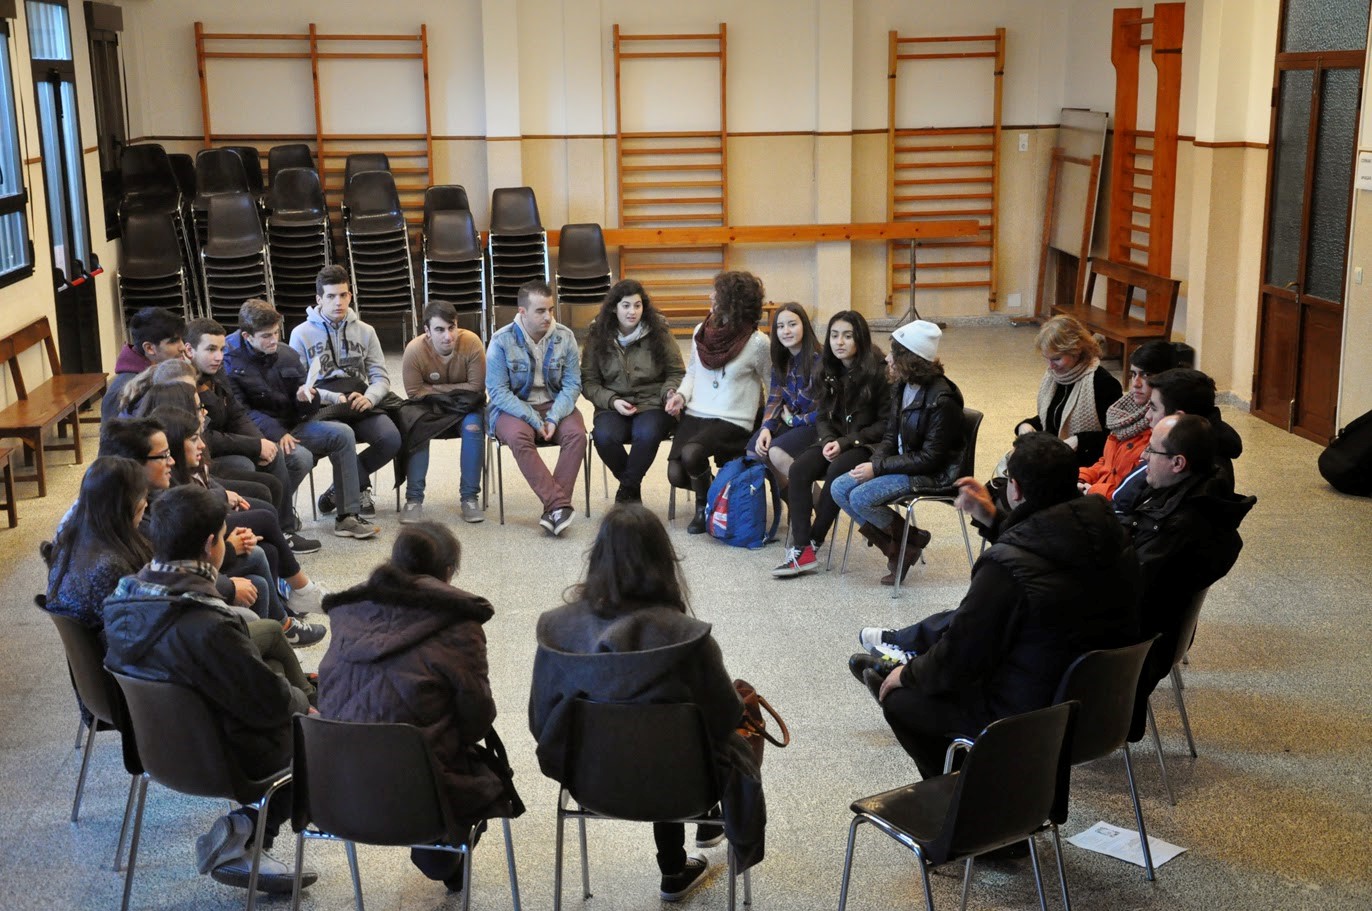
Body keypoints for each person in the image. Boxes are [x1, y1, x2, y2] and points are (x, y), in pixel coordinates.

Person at [859, 433, 1141, 779]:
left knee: (901, 701)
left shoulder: (1004, 568)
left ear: (1016, 490)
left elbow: (960, 659)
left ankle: (965, 793)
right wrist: (993, 519)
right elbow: (1048, 553)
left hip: (1030, 715)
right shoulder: (1109, 529)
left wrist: (908, 675)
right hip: (1103, 705)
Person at [529, 505, 764, 903]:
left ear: (597, 556)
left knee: (651, 735)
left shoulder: (557, 630)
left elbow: (540, 721)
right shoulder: (690, 638)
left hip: (590, 783)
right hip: (686, 788)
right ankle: (695, 839)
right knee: (677, 738)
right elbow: (725, 718)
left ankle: (677, 862)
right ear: (663, 561)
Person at [101, 485, 319, 895]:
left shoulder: (121, 599)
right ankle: (246, 832)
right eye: (222, 535)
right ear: (210, 545)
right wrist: (305, 705)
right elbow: (270, 703)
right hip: (214, 756)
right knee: (312, 735)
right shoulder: (209, 625)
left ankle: (247, 838)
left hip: (156, 747)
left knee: (272, 664)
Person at [318, 522, 519, 891]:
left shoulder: (347, 614)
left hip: (335, 788)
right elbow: (476, 720)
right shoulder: (460, 625)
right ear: (448, 573)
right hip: (422, 795)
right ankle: (440, 858)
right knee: (478, 769)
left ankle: (439, 856)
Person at [1118, 413, 1255, 737]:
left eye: (1152, 450)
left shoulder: (1182, 525)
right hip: (1147, 630)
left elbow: (1126, 590)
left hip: (1130, 650)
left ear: (1178, 463)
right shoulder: (1183, 495)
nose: (1143, 456)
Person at [158, 406, 327, 645]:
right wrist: (229, 549)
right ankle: (295, 602)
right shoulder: (164, 492)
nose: (204, 412)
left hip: (206, 541)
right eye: (194, 438)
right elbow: (173, 565)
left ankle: (281, 622)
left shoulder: (185, 465)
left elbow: (209, 482)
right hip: (199, 562)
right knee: (263, 525)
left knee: (267, 548)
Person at [223, 298, 379, 540]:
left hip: (292, 425)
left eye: (276, 333)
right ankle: (276, 514)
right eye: (266, 336)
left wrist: (307, 398)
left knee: (342, 433)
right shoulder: (229, 361)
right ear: (247, 336)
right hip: (258, 433)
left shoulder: (286, 354)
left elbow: (305, 407)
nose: (274, 340)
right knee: (301, 457)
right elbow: (242, 412)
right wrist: (277, 434)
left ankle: (347, 516)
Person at [829, 320, 964, 585]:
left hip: (932, 473)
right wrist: (875, 463)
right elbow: (890, 436)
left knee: (860, 496)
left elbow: (930, 459)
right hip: (903, 463)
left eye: (894, 353)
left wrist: (878, 468)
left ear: (910, 359)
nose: (888, 358)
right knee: (839, 487)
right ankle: (904, 545)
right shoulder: (903, 385)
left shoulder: (941, 399)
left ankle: (903, 547)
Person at [773, 311, 889, 577]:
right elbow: (823, 415)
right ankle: (802, 547)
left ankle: (814, 541)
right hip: (835, 439)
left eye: (847, 336)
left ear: (860, 338)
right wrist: (827, 440)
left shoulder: (878, 371)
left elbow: (885, 425)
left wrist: (846, 442)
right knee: (799, 469)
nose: (839, 342)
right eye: (834, 336)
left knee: (837, 471)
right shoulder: (827, 368)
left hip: (868, 444)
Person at [289, 264, 404, 518]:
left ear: (350, 296)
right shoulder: (301, 334)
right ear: (319, 299)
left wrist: (370, 398)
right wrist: (332, 397)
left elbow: (380, 377)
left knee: (391, 439)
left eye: (343, 295)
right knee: (343, 437)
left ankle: (338, 489)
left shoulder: (366, 331)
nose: (338, 302)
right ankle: (356, 490)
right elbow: (299, 386)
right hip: (322, 402)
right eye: (331, 296)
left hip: (357, 397)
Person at [664, 271, 771, 534]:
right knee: (676, 474)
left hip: (733, 419)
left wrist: (769, 423)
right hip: (697, 413)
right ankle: (720, 491)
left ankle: (704, 507)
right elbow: (692, 372)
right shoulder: (701, 332)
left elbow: (772, 384)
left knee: (692, 454)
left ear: (733, 301)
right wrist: (681, 396)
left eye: (718, 293)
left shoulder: (757, 342)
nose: (711, 296)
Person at [186, 317, 311, 542]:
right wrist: (253, 446)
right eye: (211, 349)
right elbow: (206, 437)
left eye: (222, 349)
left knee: (273, 452)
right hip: (206, 454)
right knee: (244, 463)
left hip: (228, 440)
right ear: (189, 350)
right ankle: (260, 529)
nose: (218, 356)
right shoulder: (185, 384)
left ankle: (285, 529)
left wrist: (260, 442)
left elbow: (236, 412)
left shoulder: (217, 371)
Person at [485, 279, 586, 535]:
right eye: (540, 311)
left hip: (555, 403)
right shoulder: (501, 340)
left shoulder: (565, 336)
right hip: (513, 407)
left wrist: (553, 417)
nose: (548, 317)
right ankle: (558, 504)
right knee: (519, 436)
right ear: (522, 312)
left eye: (550, 309)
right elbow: (498, 392)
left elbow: (573, 384)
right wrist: (533, 418)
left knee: (576, 435)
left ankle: (555, 509)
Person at [581, 279, 684, 504]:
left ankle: (627, 491)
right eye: (626, 306)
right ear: (614, 308)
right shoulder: (598, 334)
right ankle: (632, 488)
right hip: (613, 404)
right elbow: (589, 382)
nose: (632, 312)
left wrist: (670, 392)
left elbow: (676, 372)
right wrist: (612, 401)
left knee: (647, 434)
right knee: (603, 437)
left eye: (637, 305)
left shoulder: (658, 330)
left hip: (652, 402)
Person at [396, 301, 487, 524]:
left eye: (451, 327)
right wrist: (456, 390)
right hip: (429, 408)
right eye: (439, 329)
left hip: (465, 407)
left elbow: (477, 387)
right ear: (427, 331)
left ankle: (470, 497)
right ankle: (414, 499)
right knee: (416, 426)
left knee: (474, 426)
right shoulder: (414, 350)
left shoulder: (472, 343)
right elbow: (414, 393)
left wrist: (433, 389)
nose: (448, 336)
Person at [1111, 367, 1245, 515]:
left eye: (1154, 408)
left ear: (1178, 417)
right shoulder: (1192, 445)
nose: (1147, 416)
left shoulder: (1186, 466)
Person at [41, 457, 152, 632]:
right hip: (114, 645)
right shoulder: (110, 567)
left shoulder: (72, 541)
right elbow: (132, 630)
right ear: (123, 505)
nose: (146, 503)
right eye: (143, 497)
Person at [1014, 314, 1122, 467]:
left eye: (1057, 359)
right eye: (1047, 358)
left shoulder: (1103, 383)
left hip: (1086, 466)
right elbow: (1055, 418)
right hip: (1055, 458)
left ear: (1076, 351)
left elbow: (1116, 435)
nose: (1051, 366)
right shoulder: (1054, 376)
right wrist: (1026, 425)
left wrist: (1079, 441)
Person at [1078, 340, 1178, 498]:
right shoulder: (1122, 414)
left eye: (1146, 375)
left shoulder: (1160, 426)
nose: (1136, 384)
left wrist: (1092, 490)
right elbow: (1106, 462)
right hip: (1096, 493)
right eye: (1133, 374)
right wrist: (1082, 478)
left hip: (1112, 503)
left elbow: (1137, 492)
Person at [748, 303, 820, 482]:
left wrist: (792, 421)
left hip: (816, 424)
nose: (786, 331)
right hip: (793, 421)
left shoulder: (819, 361)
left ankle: (805, 496)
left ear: (804, 326)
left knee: (776, 452)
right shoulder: (781, 362)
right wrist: (766, 428)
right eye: (780, 326)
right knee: (755, 451)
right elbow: (774, 399)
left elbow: (825, 411)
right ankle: (789, 494)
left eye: (792, 324)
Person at [102, 307, 186, 421]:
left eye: (181, 339)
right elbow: (111, 432)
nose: (183, 347)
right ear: (149, 348)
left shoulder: (164, 370)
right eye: (173, 341)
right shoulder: (122, 391)